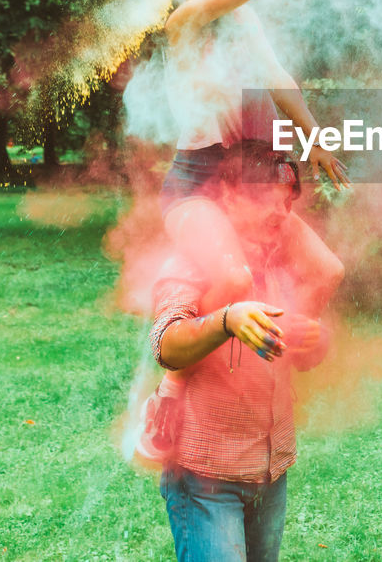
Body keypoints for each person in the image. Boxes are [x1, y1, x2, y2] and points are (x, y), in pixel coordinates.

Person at [137, 0, 369, 460]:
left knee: (326, 269)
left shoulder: (241, 23)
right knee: (236, 278)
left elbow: (278, 76)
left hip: (245, 184)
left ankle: (276, 351)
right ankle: (170, 388)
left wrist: (314, 139)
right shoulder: (184, 24)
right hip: (194, 187)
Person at [149, 144, 337, 562]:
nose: (281, 215)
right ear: (230, 196)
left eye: (287, 204)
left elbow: (300, 356)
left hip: (270, 472)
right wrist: (227, 319)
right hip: (204, 476)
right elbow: (166, 342)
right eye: (268, 201)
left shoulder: (283, 261)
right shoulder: (195, 258)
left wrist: (314, 340)